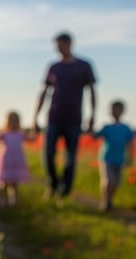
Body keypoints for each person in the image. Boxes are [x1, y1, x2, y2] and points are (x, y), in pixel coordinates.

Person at [32, 31, 97, 199]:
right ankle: (52, 184)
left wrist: (92, 116)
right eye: (56, 47)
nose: (58, 49)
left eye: (60, 46)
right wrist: (35, 116)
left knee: (70, 158)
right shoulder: (54, 67)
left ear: (69, 44)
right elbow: (44, 92)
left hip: (74, 119)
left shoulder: (84, 65)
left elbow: (92, 91)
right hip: (53, 117)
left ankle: (65, 190)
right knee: (47, 154)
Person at [94, 100, 135, 211]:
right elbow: (95, 136)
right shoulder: (107, 127)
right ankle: (105, 201)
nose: (116, 111)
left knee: (116, 183)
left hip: (119, 159)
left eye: (119, 109)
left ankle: (109, 200)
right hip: (106, 158)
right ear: (111, 111)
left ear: (123, 111)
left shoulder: (126, 128)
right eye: (114, 109)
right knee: (108, 180)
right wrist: (90, 126)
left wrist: (130, 157)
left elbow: (130, 144)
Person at [0, 111, 33, 207]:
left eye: (15, 121)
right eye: (11, 121)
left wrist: (34, 128)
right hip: (5, 161)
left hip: (16, 161)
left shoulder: (20, 134)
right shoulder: (3, 134)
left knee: (14, 182)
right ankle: (2, 199)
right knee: (3, 182)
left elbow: (31, 139)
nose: (13, 123)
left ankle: (14, 201)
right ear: (7, 122)